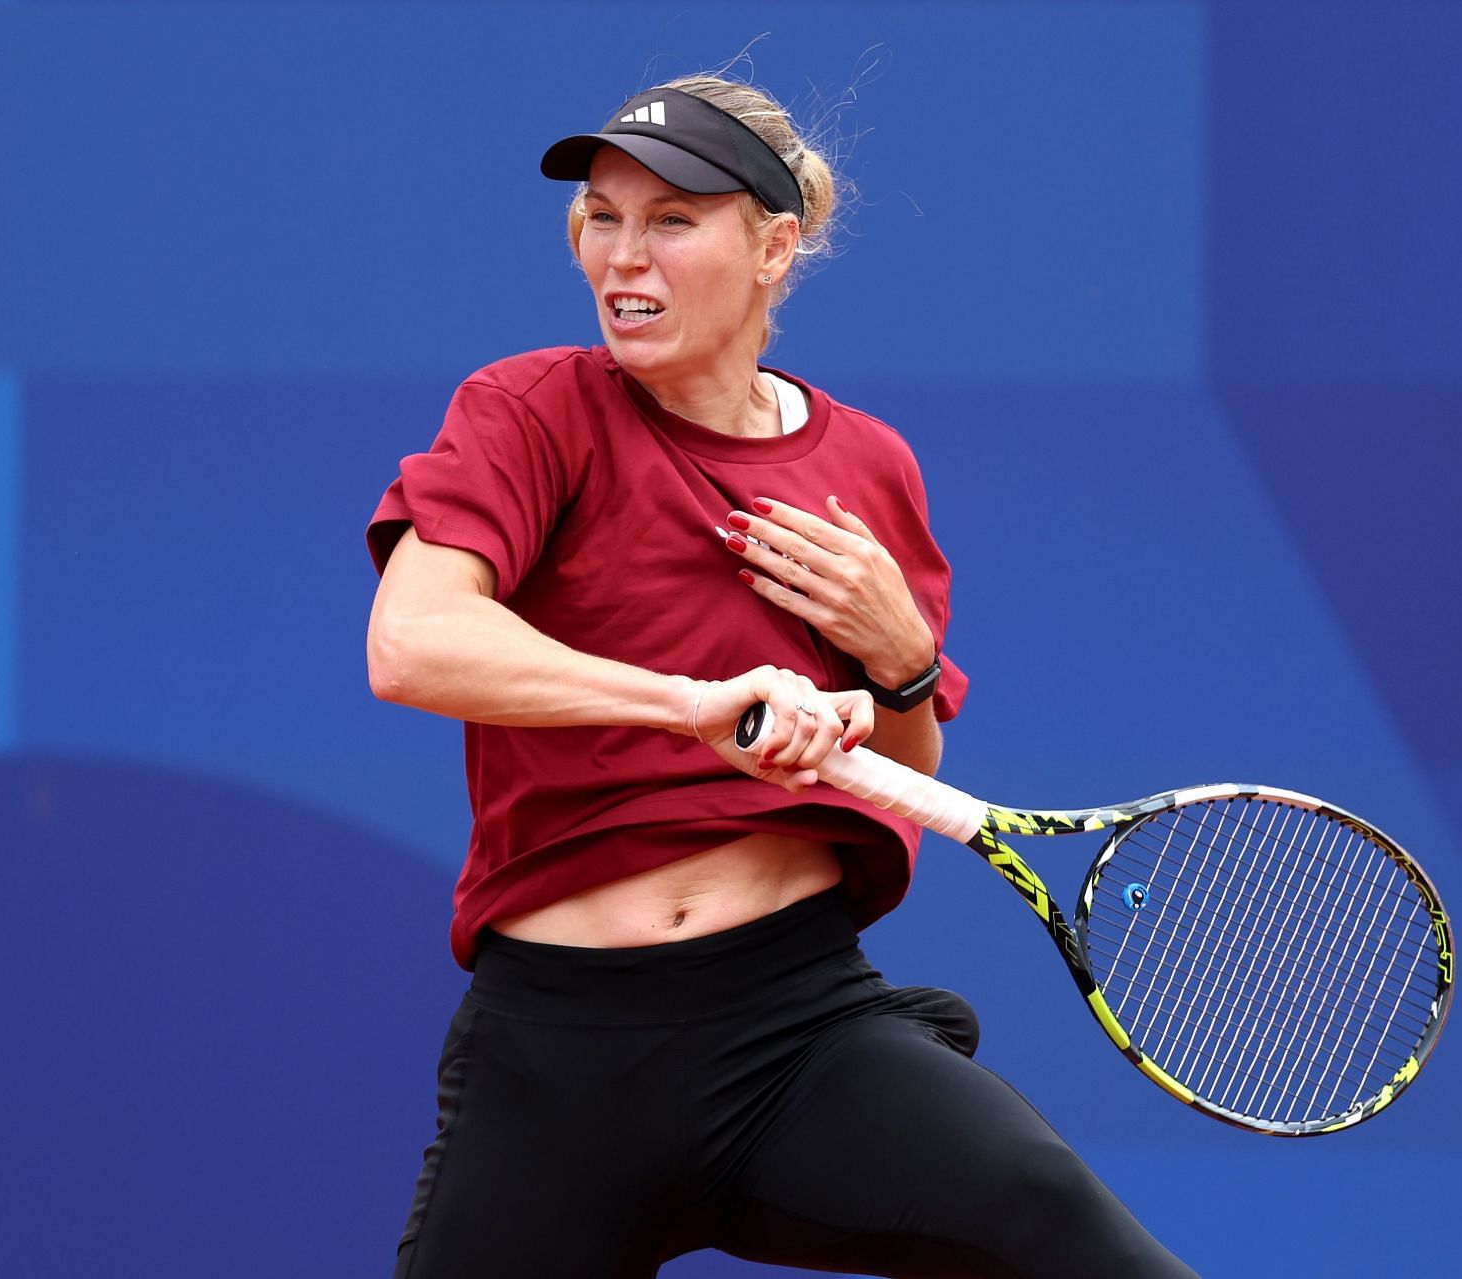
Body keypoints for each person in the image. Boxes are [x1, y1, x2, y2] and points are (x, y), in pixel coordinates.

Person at [365, 74, 1198, 1279]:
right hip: (559, 1053)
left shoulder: (867, 465)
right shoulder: (530, 408)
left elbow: (900, 781)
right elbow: (414, 644)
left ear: (774, 246)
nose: (620, 254)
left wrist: (900, 669)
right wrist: (688, 703)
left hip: (796, 1027)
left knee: (1061, 1223)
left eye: (671, 219)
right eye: (601, 216)